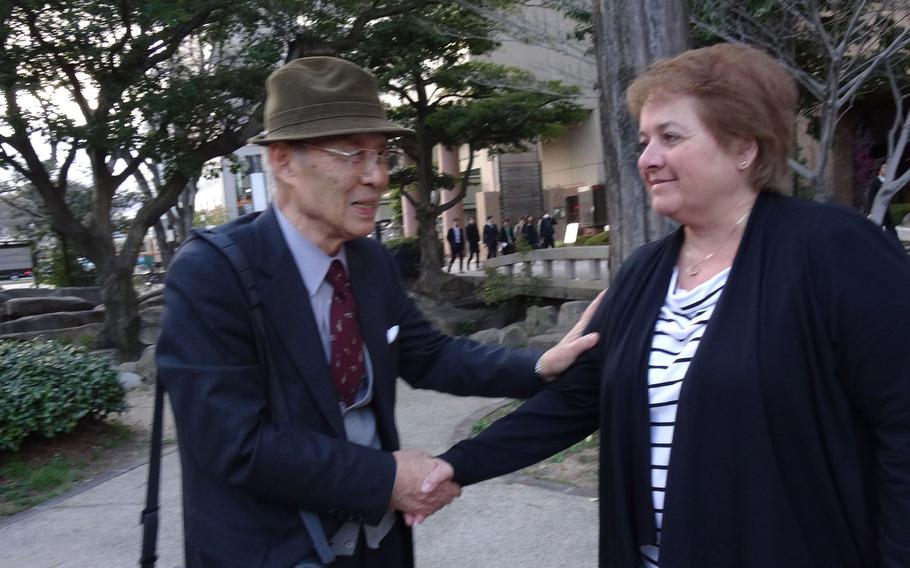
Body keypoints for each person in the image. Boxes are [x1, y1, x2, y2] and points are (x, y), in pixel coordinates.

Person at [425, 43, 910, 567]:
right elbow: (575, 403)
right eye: (644, 141)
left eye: (670, 137)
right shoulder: (644, 274)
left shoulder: (836, 251)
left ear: (743, 146)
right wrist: (454, 467)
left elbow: (903, 427)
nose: (647, 158)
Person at [156, 56, 601, 568]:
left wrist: (538, 365)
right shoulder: (212, 275)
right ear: (283, 161)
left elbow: (429, 355)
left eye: (382, 155)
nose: (377, 177)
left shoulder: (366, 260)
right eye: (352, 154)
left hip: (375, 541)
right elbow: (236, 443)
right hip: (271, 547)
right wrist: (387, 478)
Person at [865, 161, 899, 238]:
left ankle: (895, 244)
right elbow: (870, 197)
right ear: (879, 170)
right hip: (878, 211)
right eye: (884, 167)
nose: (886, 169)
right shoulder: (874, 182)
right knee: (877, 231)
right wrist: (871, 211)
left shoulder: (888, 181)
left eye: (887, 167)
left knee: (892, 230)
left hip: (886, 210)